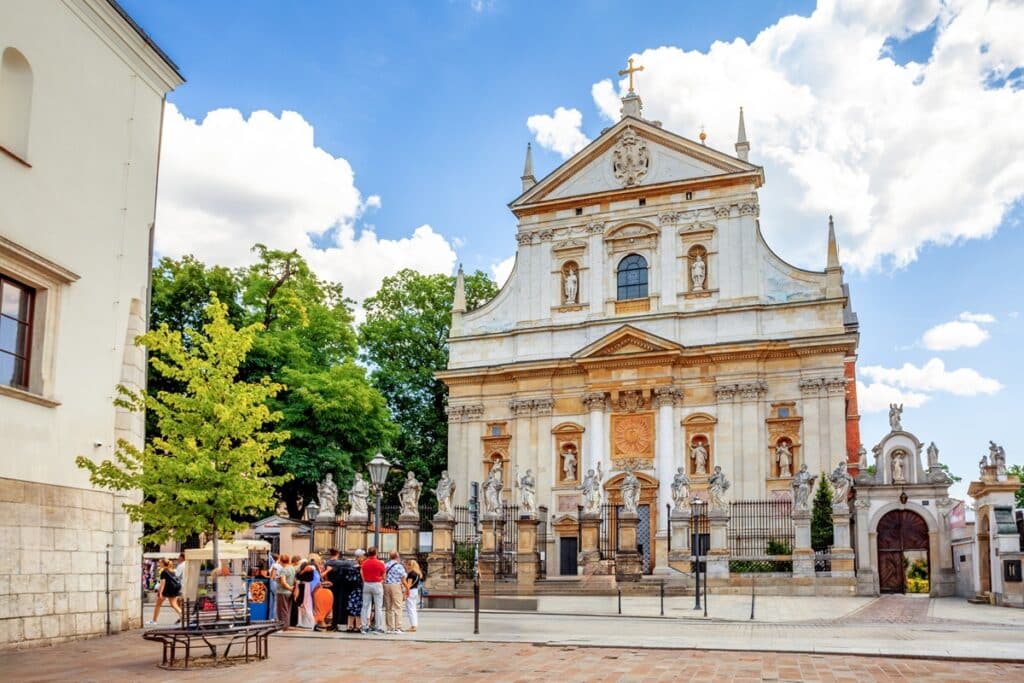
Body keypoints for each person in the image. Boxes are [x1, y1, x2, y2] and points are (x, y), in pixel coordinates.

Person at [360, 547, 386, 634]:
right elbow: (384, 576)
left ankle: (364, 626)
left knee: (365, 606)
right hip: (377, 584)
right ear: (376, 553)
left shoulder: (364, 563)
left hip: (367, 584)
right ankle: (378, 627)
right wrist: (380, 581)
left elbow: (362, 575)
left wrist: (366, 581)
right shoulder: (380, 563)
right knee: (378, 607)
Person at [148, 559, 182, 626]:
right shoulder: (172, 571)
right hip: (173, 589)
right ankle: (183, 616)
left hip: (166, 590)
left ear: (163, 564)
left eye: (160, 563)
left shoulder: (164, 572)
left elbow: (163, 583)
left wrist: (160, 593)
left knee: (158, 605)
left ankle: (154, 621)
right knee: (173, 604)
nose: (159, 564)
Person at [324, 548, 350, 631]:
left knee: (329, 604)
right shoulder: (341, 563)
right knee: (336, 605)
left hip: (329, 584)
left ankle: (329, 622)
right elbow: (349, 564)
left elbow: (326, 575)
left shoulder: (327, 563)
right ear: (338, 553)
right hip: (338, 586)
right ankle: (335, 623)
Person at [383, 551, 407, 634]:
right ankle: (398, 627)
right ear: (397, 557)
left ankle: (389, 628)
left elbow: (383, 575)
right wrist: (407, 588)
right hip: (396, 585)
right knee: (398, 606)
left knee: (388, 607)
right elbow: (403, 578)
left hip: (386, 585)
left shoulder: (385, 565)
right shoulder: (399, 566)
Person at [308, 553, 334, 631]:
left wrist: (323, 583)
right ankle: (320, 622)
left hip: (315, 590)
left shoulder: (312, 568)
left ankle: (321, 622)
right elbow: (315, 581)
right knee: (320, 606)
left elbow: (316, 581)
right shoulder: (314, 568)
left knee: (318, 607)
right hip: (316, 590)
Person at [345, 549, 365, 632]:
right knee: (359, 608)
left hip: (352, 590)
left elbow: (348, 579)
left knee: (351, 607)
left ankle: (349, 626)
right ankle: (357, 626)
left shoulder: (351, 567)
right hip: (360, 590)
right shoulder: (362, 568)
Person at [274, 553, 294, 630]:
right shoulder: (292, 568)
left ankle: (283, 627)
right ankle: (286, 625)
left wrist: (289, 588)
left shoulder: (283, 570)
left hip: (282, 592)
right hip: (289, 593)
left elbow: (283, 582)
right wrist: (291, 588)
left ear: (281, 561)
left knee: (282, 611)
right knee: (287, 610)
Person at [403, 558, 423, 633]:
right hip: (415, 591)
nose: (407, 567)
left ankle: (413, 626)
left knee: (410, 609)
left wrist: (405, 594)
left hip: (411, 591)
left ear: (411, 566)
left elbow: (408, 585)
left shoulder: (411, 574)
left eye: (408, 565)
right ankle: (414, 625)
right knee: (413, 609)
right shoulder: (417, 573)